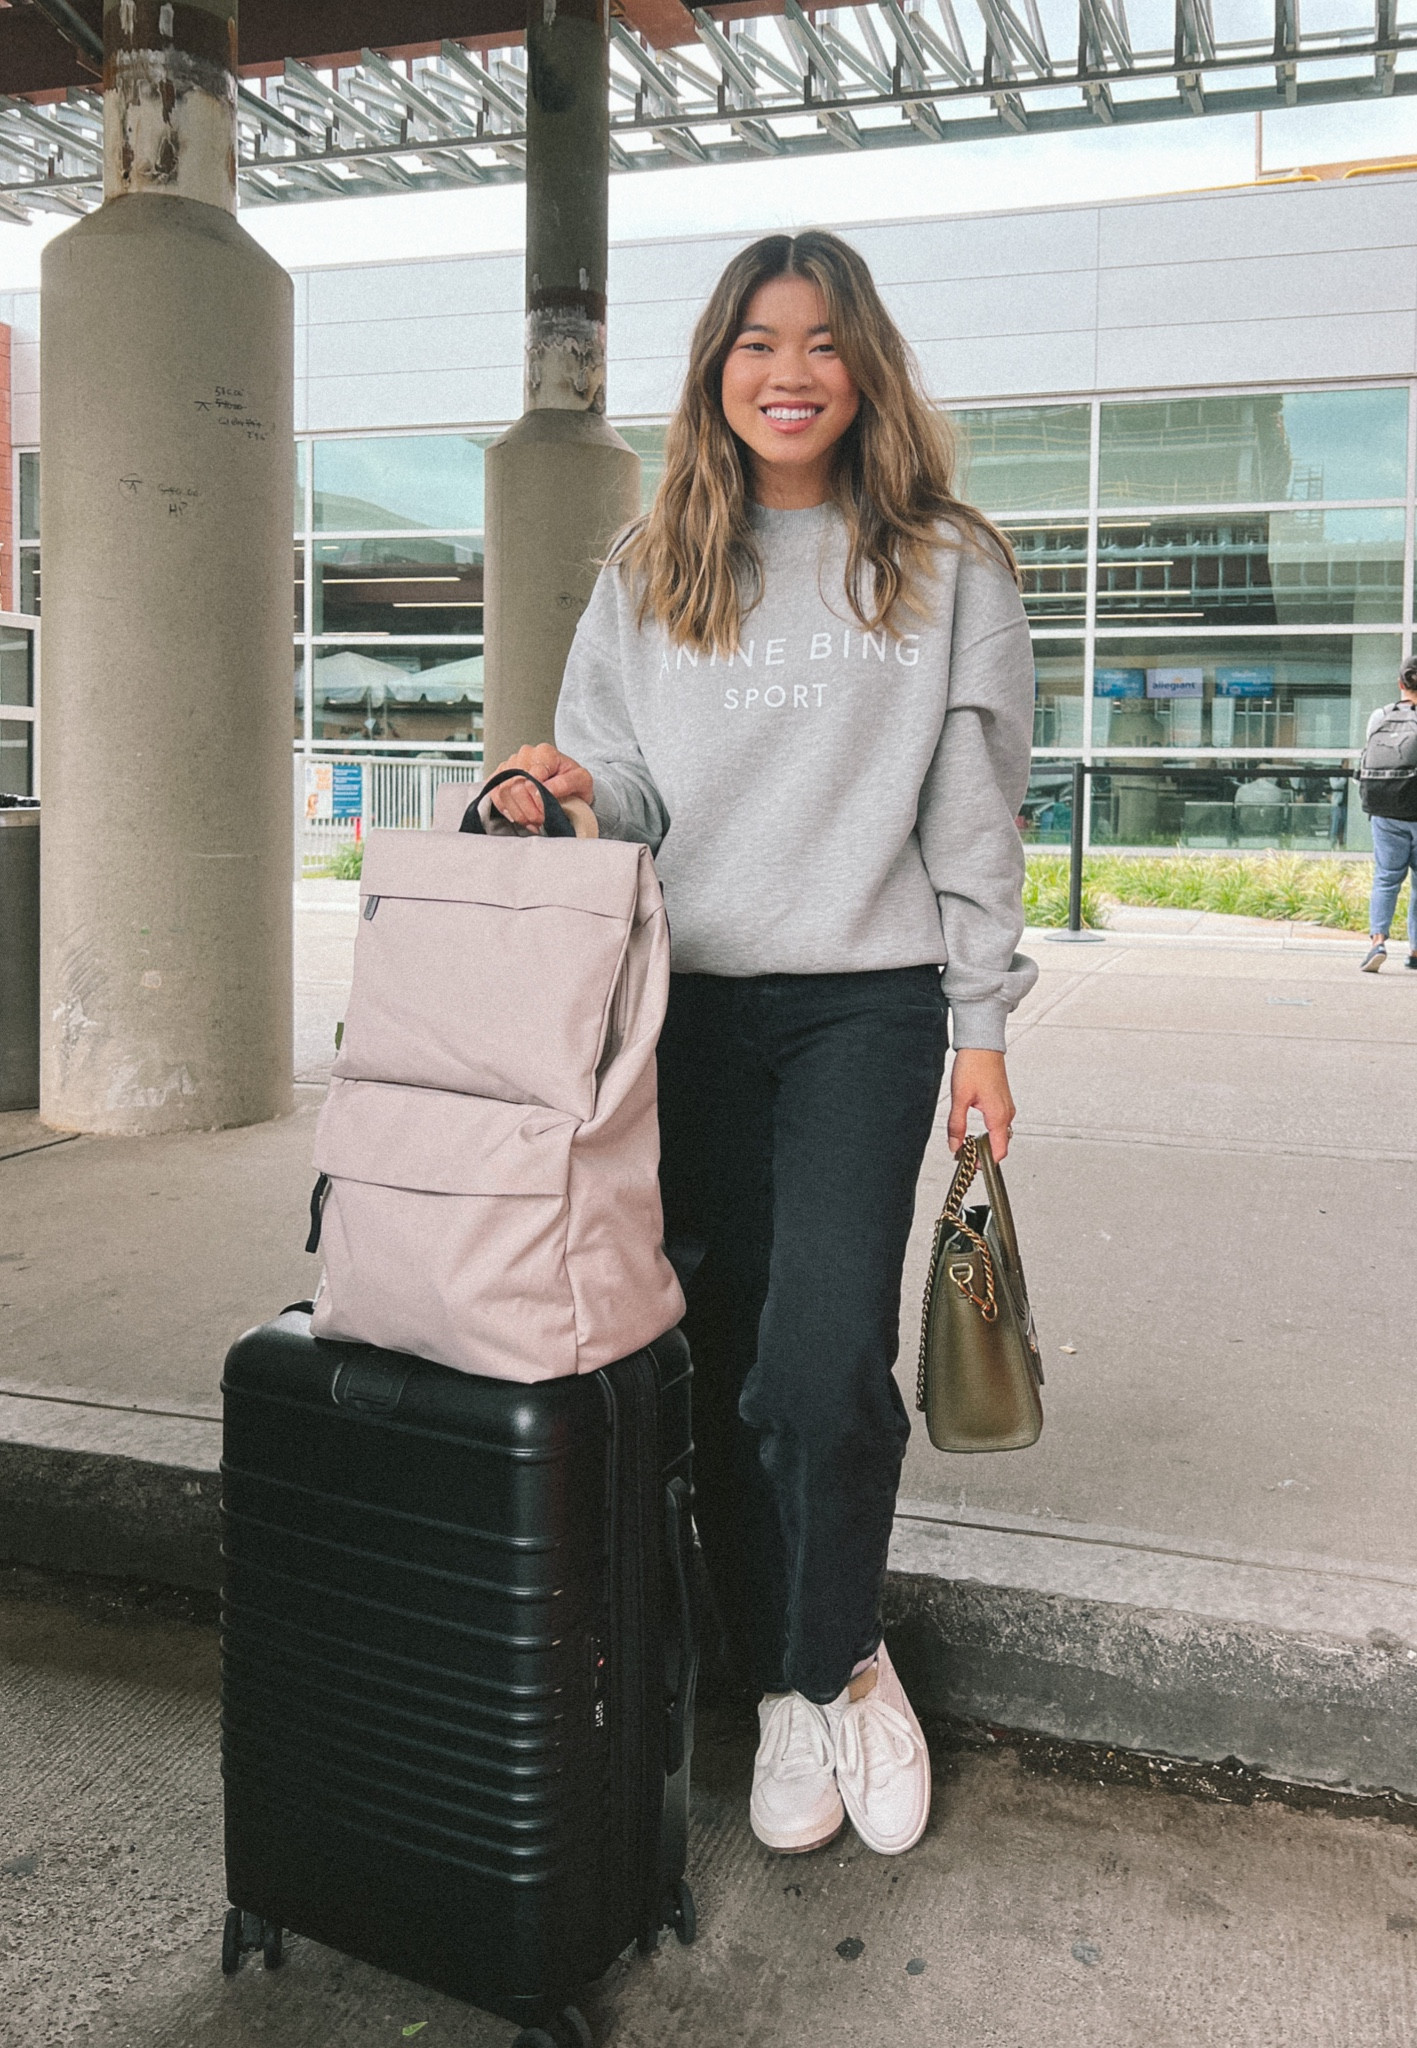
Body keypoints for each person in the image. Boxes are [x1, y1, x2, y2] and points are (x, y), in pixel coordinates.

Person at [490, 230, 1036, 1859]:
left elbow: (973, 811)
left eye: (819, 341)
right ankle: (781, 1685)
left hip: (867, 1005)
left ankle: (841, 1655)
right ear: (714, 368)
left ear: (866, 367)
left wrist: (983, 1025)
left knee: (820, 1358)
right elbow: (629, 789)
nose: (787, 372)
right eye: (755, 341)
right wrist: (569, 795)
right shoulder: (652, 562)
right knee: (724, 1361)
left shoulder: (946, 563)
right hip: (689, 1008)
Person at [1360, 657, 1417, 973]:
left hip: (1386, 809)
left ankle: (1377, 943)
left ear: (1400, 684)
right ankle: (1416, 950)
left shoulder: (1380, 716)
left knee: (1386, 878)